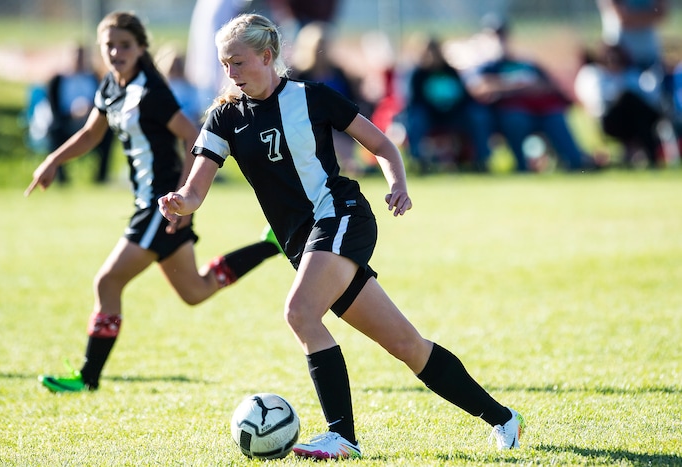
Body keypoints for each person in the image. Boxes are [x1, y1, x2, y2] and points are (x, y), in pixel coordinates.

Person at [159, 13, 525, 459]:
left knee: (299, 312)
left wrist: (397, 183)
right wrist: (180, 201)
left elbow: (383, 145)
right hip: (304, 243)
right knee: (408, 346)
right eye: (224, 65)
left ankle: (342, 437)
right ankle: (504, 418)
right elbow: (196, 190)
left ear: (267, 56)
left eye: (237, 62)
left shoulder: (311, 97)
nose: (230, 74)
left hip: (341, 216)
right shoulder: (222, 119)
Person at [25, 11, 281, 393]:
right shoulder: (111, 87)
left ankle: (87, 377)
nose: (116, 52)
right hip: (155, 206)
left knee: (107, 282)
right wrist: (52, 160)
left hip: (159, 204)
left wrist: (183, 195)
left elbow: (194, 137)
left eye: (124, 45)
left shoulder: (151, 92)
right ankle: (268, 246)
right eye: (109, 45)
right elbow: (91, 134)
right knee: (195, 291)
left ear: (141, 47)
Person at [463, 15, 596, 172]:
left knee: (555, 116)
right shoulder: (484, 67)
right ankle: (521, 166)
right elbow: (479, 90)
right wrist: (515, 86)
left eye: (502, 35)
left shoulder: (525, 63)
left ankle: (576, 162)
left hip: (540, 111)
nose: (499, 40)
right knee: (515, 119)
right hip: (506, 115)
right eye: (494, 35)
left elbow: (548, 86)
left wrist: (511, 86)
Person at [403, 35, 492, 172]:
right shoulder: (418, 74)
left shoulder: (451, 72)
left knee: (478, 116)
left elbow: (464, 97)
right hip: (430, 116)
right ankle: (417, 161)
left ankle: (481, 160)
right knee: (416, 119)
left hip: (454, 115)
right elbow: (414, 101)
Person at [290, 21, 367, 175]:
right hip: (310, 127)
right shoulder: (299, 76)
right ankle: (350, 164)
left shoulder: (340, 74)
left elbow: (354, 102)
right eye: (318, 45)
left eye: (325, 45)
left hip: (343, 125)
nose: (322, 50)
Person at [575, 43, 666, 167]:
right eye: (609, 59)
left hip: (637, 119)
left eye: (616, 59)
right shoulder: (596, 76)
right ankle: (651, 155)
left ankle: (650, 156)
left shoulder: (631, 74)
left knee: (637, 107)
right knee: (627, 97)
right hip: (611, 120)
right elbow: (596, 101)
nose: (613, 62)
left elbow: (650, 97)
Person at [46, 44, 114, 183]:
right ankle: (60, 178)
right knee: (54, 131)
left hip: (91, 120)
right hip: (65, 122)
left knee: (107, 132)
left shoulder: (94, 78)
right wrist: (72, 113)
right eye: (75, 56)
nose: (79, 60)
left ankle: (101, 177)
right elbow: (54, 109)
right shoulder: (57, 80)